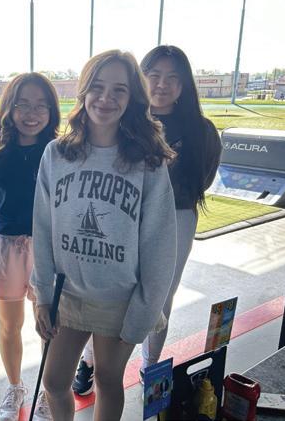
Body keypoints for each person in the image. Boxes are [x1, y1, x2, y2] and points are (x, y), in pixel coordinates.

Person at [30, 49, 177, 420]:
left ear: (132, 98)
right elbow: (42, 228)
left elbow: (160, 245)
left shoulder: (148, 162)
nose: (106, 98)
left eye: (119, 90)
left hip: (120, 299)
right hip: (67, 295)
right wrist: (42, 295)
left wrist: (144, 312)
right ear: (83, 91)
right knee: (54, 380)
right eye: (97, 87)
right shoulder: (56, 154)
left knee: (109, 379)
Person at [72, 45, 222, 395]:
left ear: (184, 85)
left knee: (159, 294)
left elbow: (204, 176)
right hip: (123, 217)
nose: (162, 84)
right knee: (108, 289)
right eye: (153, 75)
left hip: (176, 217)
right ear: (141, 79)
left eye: (172, 78)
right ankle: (90, 361)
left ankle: (150, 365)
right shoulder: (125, 121)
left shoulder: (201, 130)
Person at [0, 73, 60, 421]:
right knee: (9, 325)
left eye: (40, 105)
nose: (32, 113)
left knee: (49, 326)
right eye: (23, 105)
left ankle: (49, 391)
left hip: (49, 248)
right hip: (7, 246)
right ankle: (15, 387)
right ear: (10, 109)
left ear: (51, 111)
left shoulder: (61, 153)